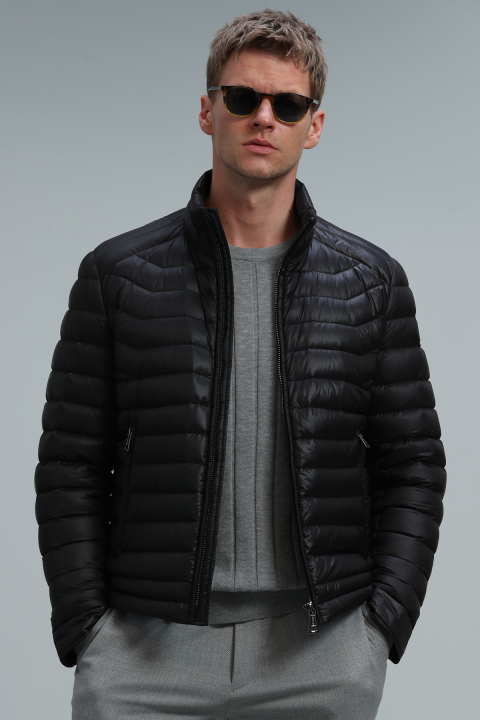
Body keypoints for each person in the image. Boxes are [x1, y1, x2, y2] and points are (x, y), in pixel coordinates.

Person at [34, 9, 446, 720]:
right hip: (143, 649)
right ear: (208, 111)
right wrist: (88, 628)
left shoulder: (371, 283)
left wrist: (378, 628)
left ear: (314, 125)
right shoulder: (117, 275)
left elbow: (413, 463)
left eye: (288, 105)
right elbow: (71, 461)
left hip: (321, 651)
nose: (264, 117)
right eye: (243, 97)